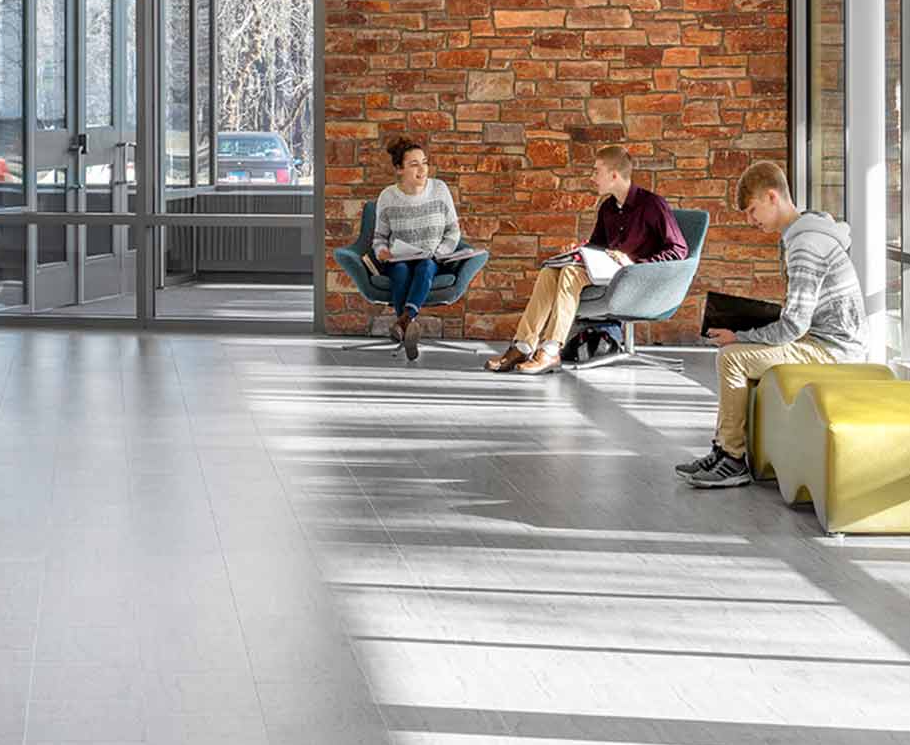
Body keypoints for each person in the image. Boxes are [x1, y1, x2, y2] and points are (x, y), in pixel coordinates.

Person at [679, 160, 868, 488]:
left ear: (772, 197)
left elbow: (794, 325)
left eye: (753, 211)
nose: (751, 221)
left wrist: (739, 335)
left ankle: (732, 459)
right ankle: (725, 448)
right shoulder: (810, 230)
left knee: (732, 357)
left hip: (833, 350)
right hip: (824, 339)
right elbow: (800, 316)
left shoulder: (805, 245)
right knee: (739, 348)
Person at [486, 146, 688, 375]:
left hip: (637, 278)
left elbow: (678, 250)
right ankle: (523, 346)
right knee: (550, 272)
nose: (592, 178)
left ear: (613, 175)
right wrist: (579, 250)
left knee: (570, 274)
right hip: (608, 273)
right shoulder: (608, 208)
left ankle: (551, 351)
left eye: (596, 172)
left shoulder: (652, 205)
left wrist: (634, 263)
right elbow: (598, 246)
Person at [371, 138, 461, 363]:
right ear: (399, 169)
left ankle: (403, 323)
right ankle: (408, 323)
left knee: (426, 267)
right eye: (414, 164)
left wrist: (441, 251)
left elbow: (453, 231)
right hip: (399, 258)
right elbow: (379, 238)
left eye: (425, 162)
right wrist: (381, 251)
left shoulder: (440, 190)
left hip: (432, 258)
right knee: (400, 271)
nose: (422, 169)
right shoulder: (388, 197)